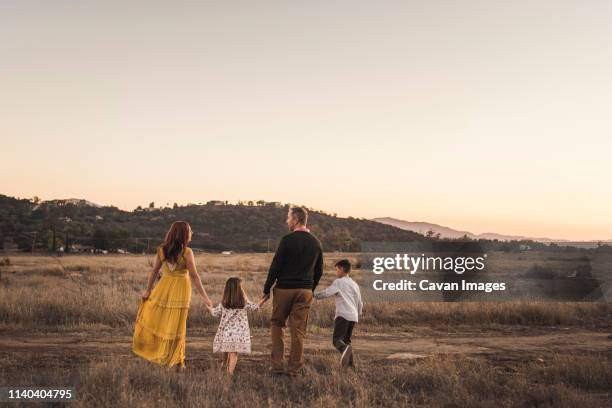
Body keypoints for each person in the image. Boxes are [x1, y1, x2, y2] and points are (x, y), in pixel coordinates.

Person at [132, 221, 213, 369]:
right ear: (183, 234)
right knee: (178, 325)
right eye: (190, 231)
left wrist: (148, 291)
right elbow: (195, 276)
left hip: (164, 287)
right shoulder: (187, 252)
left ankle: (172, 357)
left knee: (163, 321)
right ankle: (176, 359)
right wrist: (206, 297)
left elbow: (154, 272)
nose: (192, 233)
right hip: (181, 290)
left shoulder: (162, 250)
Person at [261, 206, 323, 376]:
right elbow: (319, 271)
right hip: (305, 291)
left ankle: (277, 367)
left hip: (284, 290)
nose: (287, 221)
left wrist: (267, 288)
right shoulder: (316, 242)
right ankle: (294, 370)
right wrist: (310, 288)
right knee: (298, 331)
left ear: (295, 220)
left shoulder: (287, 240)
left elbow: (276, 266)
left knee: (277, 325)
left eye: (288, 218)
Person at [207, 277, 266, 375]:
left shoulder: (224, 304)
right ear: (239, 290)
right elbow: (255, 307)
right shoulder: (244, 303)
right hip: (239, 334)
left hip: (226, 333)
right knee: (233, 354)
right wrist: (264, 299)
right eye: (241, 287)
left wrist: (209, 308)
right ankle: (229, 374)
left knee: (226, 347)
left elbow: (214, 313)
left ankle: (225, 365)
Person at [314, 259, 363, 368]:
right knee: (346, 341)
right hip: (353, 316)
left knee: (337, 340)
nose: (336, 273)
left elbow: (327, 293)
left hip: (343, 315)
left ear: (341, 269)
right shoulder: (355, 284)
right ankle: (351, 367)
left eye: (336, 270)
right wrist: (357, 314)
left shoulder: (339, 282)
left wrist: (313, 295)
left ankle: (345, 351)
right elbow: (360, 302)